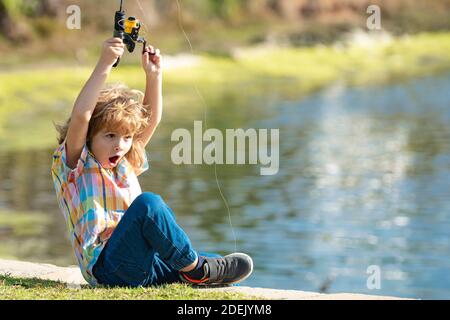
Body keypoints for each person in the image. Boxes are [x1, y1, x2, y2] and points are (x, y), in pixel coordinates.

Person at [51, 37, 253, 287]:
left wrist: (154, 75)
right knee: (148, 205)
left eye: (126, 137)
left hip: (142, 265)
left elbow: (151, 120)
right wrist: (105, 63)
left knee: (204, 258)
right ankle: (196, 269)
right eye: (110, 136)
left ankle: (193, 269)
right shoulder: (76, 167)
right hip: (108, 268)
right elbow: (82, 116)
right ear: (89, 136)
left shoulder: (124, 164)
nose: (120, 145)